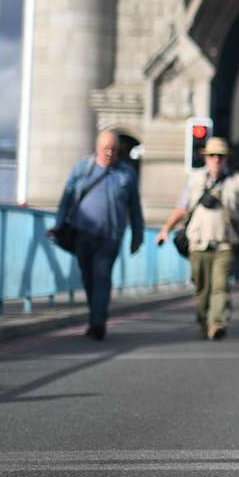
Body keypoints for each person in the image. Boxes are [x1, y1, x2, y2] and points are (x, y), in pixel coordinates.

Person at [155, 137, 239, 340]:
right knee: (202, 289)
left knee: (220, 286)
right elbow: (181, 208)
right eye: (212, 156)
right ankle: (204, 320)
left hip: (225, 244)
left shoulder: (238, 181)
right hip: (198, 244)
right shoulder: (195, 179)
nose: (216, 160)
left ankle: (217, 323)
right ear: (206, 158)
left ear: (226, 159)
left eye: (221, 156)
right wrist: (166, 228)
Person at [53, 129, 146, 341]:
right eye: (106, 149)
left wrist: (137, 236)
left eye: (113, 149)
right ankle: (97, 314)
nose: (110, 153)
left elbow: (135, 208)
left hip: (111, 236)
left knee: (102, 276)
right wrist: (58, 225)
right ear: (97, 148)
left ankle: (97, 323)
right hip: (83, 233)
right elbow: (66, 199)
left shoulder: (126, 173)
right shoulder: (82, 169)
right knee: (88, 277)